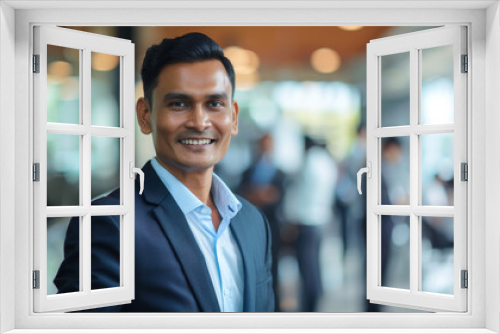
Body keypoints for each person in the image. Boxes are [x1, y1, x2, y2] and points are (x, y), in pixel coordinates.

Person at [54, 32, 275, 312]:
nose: (199, 122)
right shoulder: (109, 224)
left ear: (233, 117)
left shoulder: (253, 222)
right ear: (145, 115)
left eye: (214, 104)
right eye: (179, 104)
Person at [284, 135, 337, 312]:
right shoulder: (327, 162)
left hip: (305, 221)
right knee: (315, 266)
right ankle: (315, 302)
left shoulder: (310, 162)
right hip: (321, 220)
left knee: (307, 269)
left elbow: (300, 195)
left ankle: (309, 307)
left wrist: (290, 219)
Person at [237, 133, 286, 311]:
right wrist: (258, 195)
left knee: (273, 270)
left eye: (268, 144)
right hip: (249, 228)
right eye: (262, 144)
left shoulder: (280, 173)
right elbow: (239, 195)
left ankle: (276, 309)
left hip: (273, 227)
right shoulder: (247, 172)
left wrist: (262, 196)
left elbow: (280, 198)